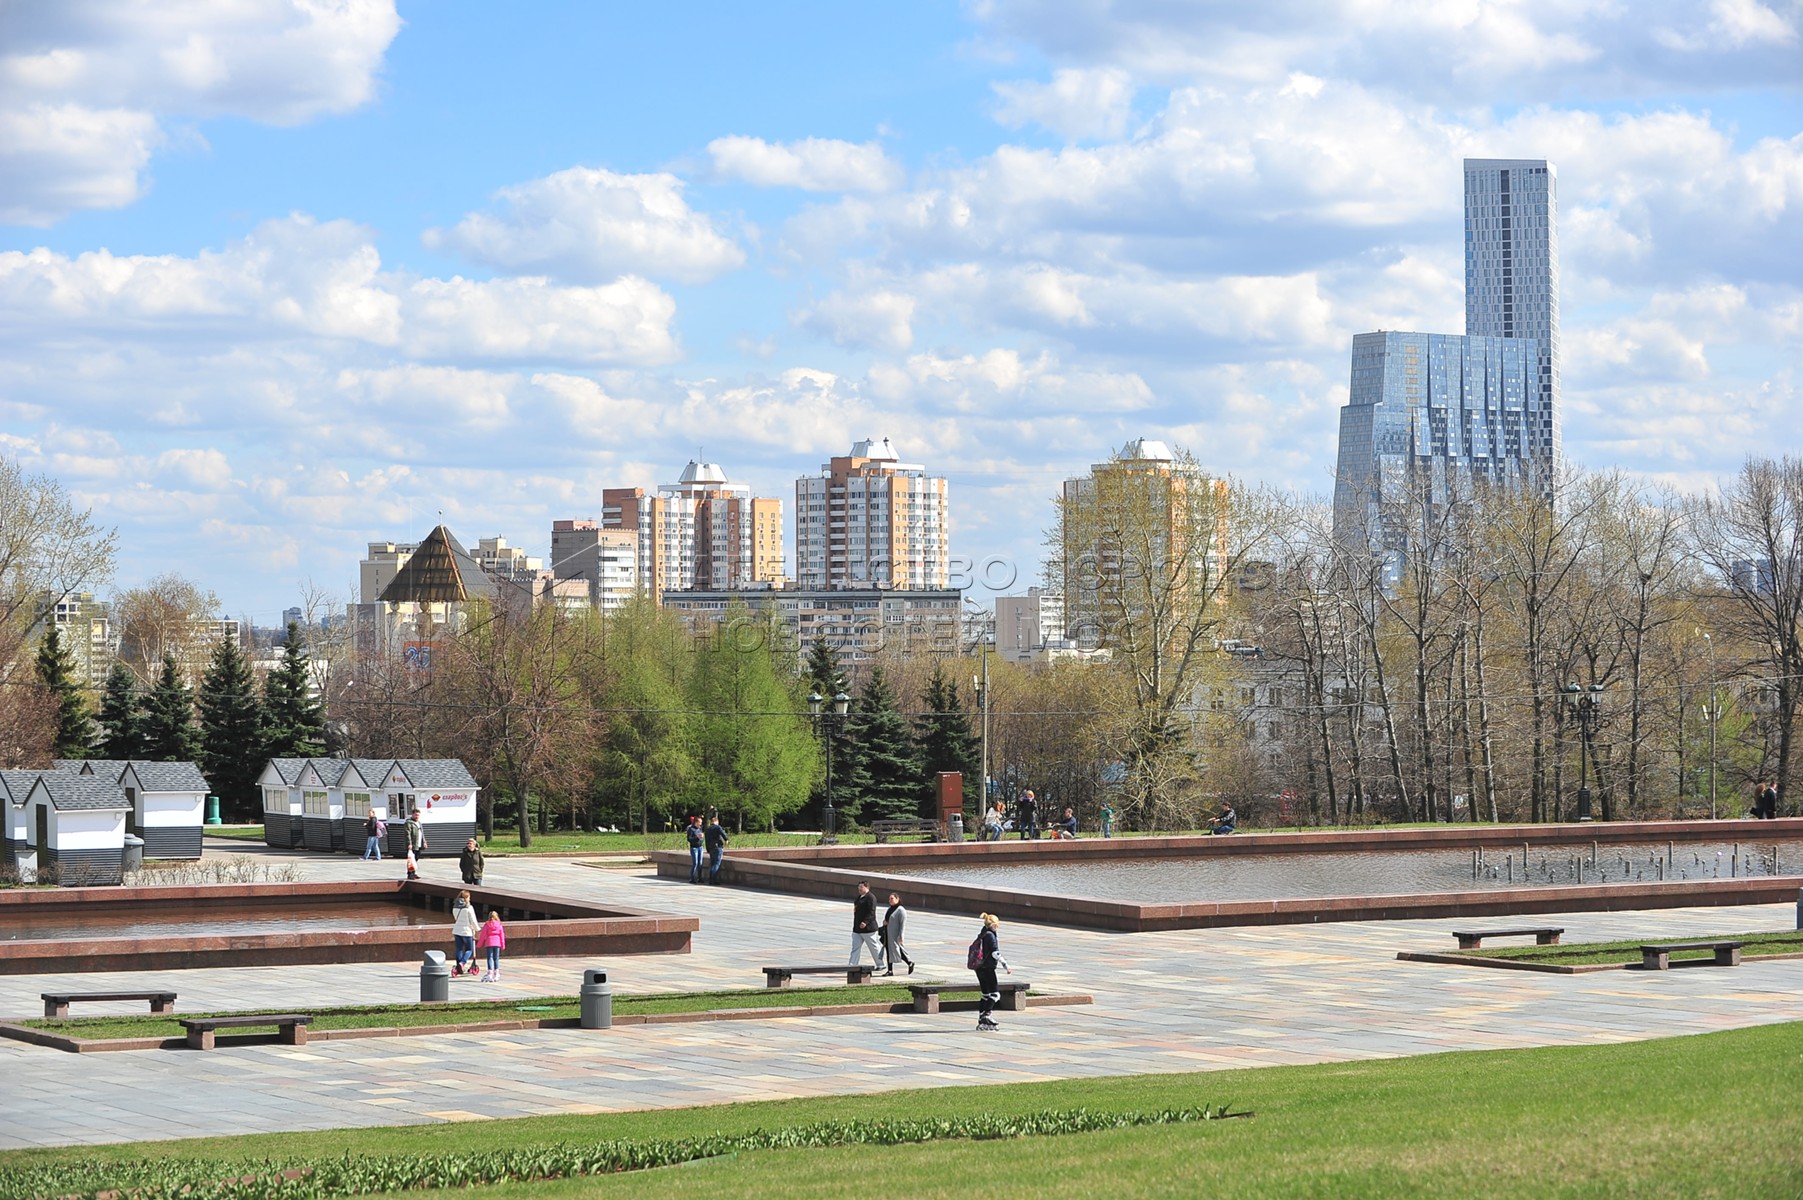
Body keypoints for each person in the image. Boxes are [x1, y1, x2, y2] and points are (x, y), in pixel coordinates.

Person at [970, 912, 1010, 1032]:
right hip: (988, 968)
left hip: (979, 968)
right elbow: (995, 952)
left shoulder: (982, 933)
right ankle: (986, 1015)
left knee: (985, 994)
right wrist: (1005, 965)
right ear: (994, 925)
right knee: (995, 994)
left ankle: (981, 1018)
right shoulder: (990, 936)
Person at [848, 881, 885, 970]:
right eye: (858, 887)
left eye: (861, 887)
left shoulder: (871, 898)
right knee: (855, 948)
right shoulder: (859, 898)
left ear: (867, 888)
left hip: (868, 929)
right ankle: (852, 965)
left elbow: (871, 912)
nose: (859, 889)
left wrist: (865, 922)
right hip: (857, 929)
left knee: (874, 947)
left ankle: (881, 964)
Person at [881, 892, 915, 976]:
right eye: (889, 899)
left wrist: (901, 935)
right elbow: (888, 919)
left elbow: (902, 924)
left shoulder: (900, 910)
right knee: (889, 952)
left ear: (897, 899)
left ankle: (909, 962)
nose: (890, 900)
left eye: (892, 898)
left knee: (898, 950)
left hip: (895, 935)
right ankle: (890, 970)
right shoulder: (890, 908)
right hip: (888, 933)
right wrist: (885, 923)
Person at [450, 889, 479, 976]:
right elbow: (473, 921)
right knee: (469, 949)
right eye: (469, 897)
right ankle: (462, 963)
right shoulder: (469, 907)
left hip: (457, 931)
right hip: (466, 932)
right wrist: (477, 929)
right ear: (466, 898)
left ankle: (458, 967)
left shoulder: (455, 907)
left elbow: (456, 918)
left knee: (459, 949)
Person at [477, 910, 506, 982]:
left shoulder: (487, 925)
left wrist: (479, 944)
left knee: (490, 958)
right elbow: (502, 936)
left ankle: (490, 973)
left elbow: (482, 936)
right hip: (497, 943)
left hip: (489, 943)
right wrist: (503, 945)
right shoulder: (499, 925)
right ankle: (497, 973)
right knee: (496, 958)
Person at [404, 807, 427, 879]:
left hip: (419, 844)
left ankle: (413, 872)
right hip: (413, 844)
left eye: (418, 815)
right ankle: (410, 874)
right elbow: (407, 834)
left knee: (416, 859)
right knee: (411, 859)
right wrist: (409, 843)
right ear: (412, 815)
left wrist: (424, 842)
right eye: (416, 815)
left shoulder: (419, 823)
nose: (417, 816)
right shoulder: (409, 823)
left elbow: (422, 833)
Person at [704, 816, 728, 885]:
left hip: (711, 848)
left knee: (712, 863)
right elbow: (723, 833)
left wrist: (707, 849)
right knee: (716, 864)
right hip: (718, 847)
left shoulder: (707, 829)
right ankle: (713, 880)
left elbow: (706, 840)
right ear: (717, 821)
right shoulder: (718, 827)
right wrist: (726, 839)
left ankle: (710, 879)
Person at [685, 816, 706, 883]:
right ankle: (692, 878)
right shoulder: (691, 829)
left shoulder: (700, 829)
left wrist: (702, 838)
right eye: (699, 822)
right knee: (695, 863)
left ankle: (700, 877)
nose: (700, 824)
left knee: (700, 863)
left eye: (701, 822)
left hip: (700, 847)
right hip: (694, 848)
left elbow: (701, 838)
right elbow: (689, 839)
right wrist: (696, 837)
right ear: (696, 822)